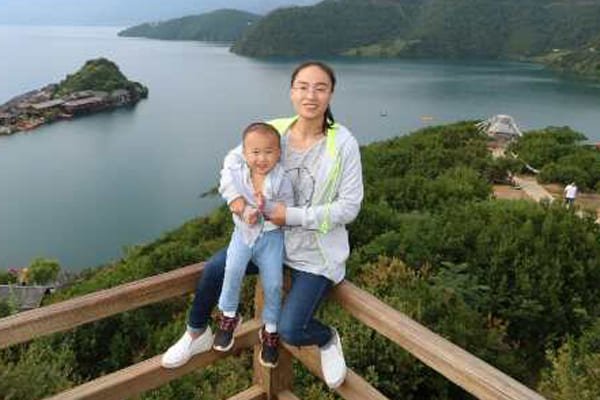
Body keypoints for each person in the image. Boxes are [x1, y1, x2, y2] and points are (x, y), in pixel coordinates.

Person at [161, 61, 364, 389]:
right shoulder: (276, 130)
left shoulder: (342, 144)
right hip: (270, 241)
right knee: (215, 269)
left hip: (314, 254)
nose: (310, 95)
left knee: (291, 329)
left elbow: (350, 207)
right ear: (292, 92)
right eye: (302, 87)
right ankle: (197, 333)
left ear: (331, 94)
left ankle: (327, 339)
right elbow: (232, 162)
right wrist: (236, 201)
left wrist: (292, 216)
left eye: (320, 88)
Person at [213, 122, 294, 369]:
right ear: (245, 153)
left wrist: (267, 208)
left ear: (278, 153)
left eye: (268, 152)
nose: (262, 158)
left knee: (274, 283)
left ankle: (270, 329)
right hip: (243, 234)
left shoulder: (281, 178)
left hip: (271, 238)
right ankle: (229, 315)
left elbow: (288, 209)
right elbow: (226, 188)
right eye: (255, 152)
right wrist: (243, 210)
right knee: (232, 269)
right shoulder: (239, 172)